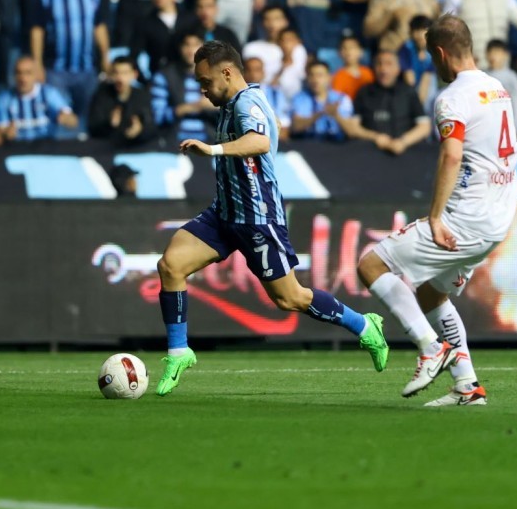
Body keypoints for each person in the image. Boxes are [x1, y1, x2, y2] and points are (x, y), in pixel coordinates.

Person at [153, 40, 388, 396]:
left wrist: (213, 149)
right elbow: (270, 125)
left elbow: (260, 141)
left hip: (257, 217)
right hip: (224, 212)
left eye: (205, 81)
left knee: (290, 299)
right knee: (171, 266)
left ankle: (365, 326)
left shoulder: (245, 102)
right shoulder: (239, 101)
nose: (202, 89)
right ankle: (179, 352)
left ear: (227, 72)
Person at [357, 14, 517, 406]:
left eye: (432, 57)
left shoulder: (451, 98)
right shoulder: (496, 87)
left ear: (441, 54)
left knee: (370, 265)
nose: (433, 65)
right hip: (499, 216)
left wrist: (435, 218)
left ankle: (431, 347)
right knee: (431, 293)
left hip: (467, 218)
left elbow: (451, 156)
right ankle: (467, 386)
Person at [30, 0, 110, 124]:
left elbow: (99, 28)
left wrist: (105, 57)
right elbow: (37, 31)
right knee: (60, 117)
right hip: (55, 69)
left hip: (87, 69)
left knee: (89, 117)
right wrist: (37, 63)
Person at [345, 50, 431, 153]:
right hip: (369, 153)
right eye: (379, 64)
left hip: (406, 154)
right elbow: (353, 128)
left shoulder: (409, 92)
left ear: (398, 68)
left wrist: (403, 141)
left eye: (389, 64)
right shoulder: (364, 92)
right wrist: (375, 137)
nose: (383, 69)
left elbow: (424, 127)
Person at [151, 33, 217, 143]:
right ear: (179, 48)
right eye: (186, 45)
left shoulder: (214, 76)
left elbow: (231, 112)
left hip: (208, 142)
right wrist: (188, 108)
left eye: (196, 45)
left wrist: (217, 106)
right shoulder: (164, 77)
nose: (191, 50)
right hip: (173, 143)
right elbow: (157, 117)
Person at [0, 55, 78, 141]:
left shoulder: (48, 94)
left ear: (36, 75)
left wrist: (67, 119)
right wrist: (6, 133)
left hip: (47, 145)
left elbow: (72, 120)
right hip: (17, 146)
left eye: (28, 73)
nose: (23, 78)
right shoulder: (4, 99)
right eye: (19, 73)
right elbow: (0, 130)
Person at [87, 55, 155, 147]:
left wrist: (140, 131)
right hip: (106, 147)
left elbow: (152, 128)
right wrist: (109, 125)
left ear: (134, 74)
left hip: (136, 147)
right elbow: (92, 128)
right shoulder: (102, 95)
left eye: (124, 73)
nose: (120, 78)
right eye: (116, 73)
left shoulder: (142, 96)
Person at [131, 0, 193, 75]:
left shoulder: (190, 19)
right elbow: (134, 56)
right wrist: (145, 81)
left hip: (189, 76)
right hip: (160, 76)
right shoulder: (145, 23)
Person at [242, 5, 306, 86]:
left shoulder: (297, 48)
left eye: (276, 19)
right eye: (267, 19)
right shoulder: (251, 48)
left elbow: (300, 77)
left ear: (286, 22)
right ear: (262, 23)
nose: (272, 24)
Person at [291, 60, 354, 142]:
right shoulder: (300, 98)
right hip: (308, 144)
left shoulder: (342, 98)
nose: (315, 80)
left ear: (329, 77)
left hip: (337, 145)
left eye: (319, 75)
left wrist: (336, 115)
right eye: (311, 75)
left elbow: (351, 131)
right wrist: (320, 113)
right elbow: (295, 127)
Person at [485, 39, 517, 129]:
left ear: (506, 55)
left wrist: (514, 126)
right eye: (490, 52)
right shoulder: (482, 75)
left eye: (496, 52)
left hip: (508, 125)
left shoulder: (512, 77)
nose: (492, 56)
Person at [399, 15, 437, 106]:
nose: (420, 35)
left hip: (426, 89)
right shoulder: (407, 48)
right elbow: (409, 79)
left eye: (424, 30)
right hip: (410, 89)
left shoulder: (433, 51)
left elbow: (427, 79)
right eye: (417, 30)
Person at [332, 34, 374, 101]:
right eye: (344, 48)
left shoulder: (370, 73)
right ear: (339, 53)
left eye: (352, 47)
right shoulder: (337, 77)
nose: (348, 51)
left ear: (361, 51)